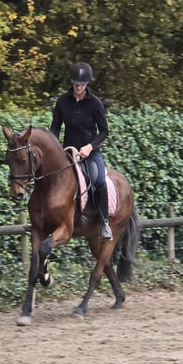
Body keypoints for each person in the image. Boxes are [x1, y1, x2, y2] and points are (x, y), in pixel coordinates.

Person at [49, 61, 113, 240]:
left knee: (99, 180)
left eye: (82, 84)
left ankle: (104, 222)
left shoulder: (95, 103)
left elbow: (104, 131)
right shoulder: (62, 101)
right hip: (67, 152)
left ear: (87, 84)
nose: (78, 87)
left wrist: (90, 147)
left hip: (90, 153)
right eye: (76, 84)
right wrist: (55, 148)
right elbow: (55, 127)